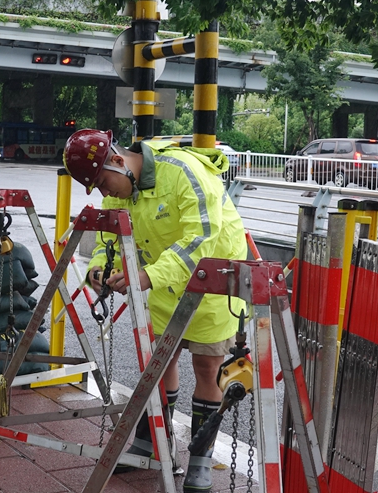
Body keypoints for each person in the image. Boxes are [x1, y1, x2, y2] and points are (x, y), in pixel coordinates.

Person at [63, 129, 247, 492]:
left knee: (207, 367)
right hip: (160, 285)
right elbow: (108, 238)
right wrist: (98, 270)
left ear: (118, 160)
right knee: (160, 362)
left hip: (213, 282)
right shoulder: (121, 193)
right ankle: (149, 444)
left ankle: (199, 459)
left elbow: (201, 235)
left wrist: (147, 275)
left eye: (103, 183)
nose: (105, 193)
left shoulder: (181, 171)